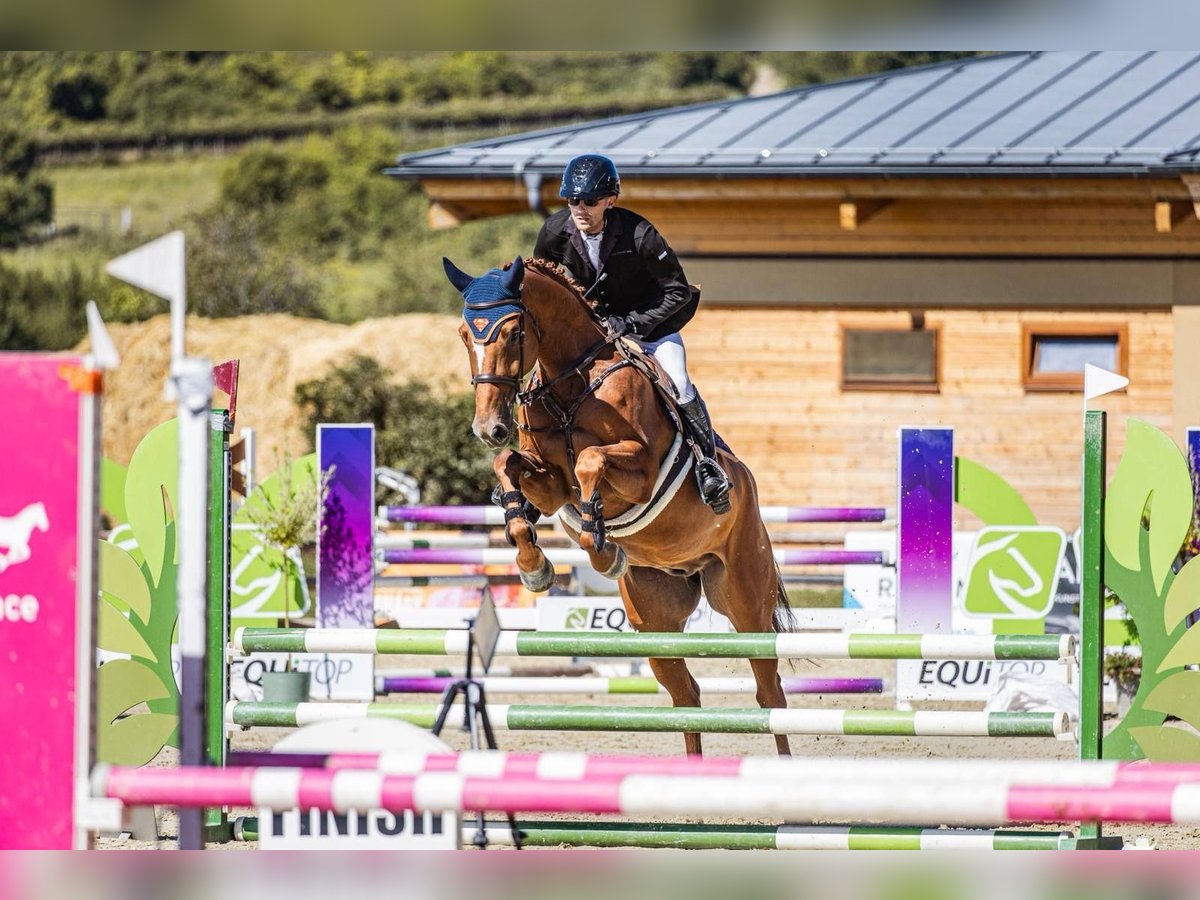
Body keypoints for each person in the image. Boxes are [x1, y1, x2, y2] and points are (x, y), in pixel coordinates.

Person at [533, 153, 731, 513]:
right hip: (592, 334)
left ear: (610, 200)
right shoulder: (555, 231)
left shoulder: (640, 234)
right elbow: (541, 284)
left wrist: (634, 323)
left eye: (590, 201)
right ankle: (541, 468)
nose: (580, 209)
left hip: (650, 329)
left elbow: (677, 291)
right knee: (545, 381)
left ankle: (708, 466)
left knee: (679, 383)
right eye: (573, 200)